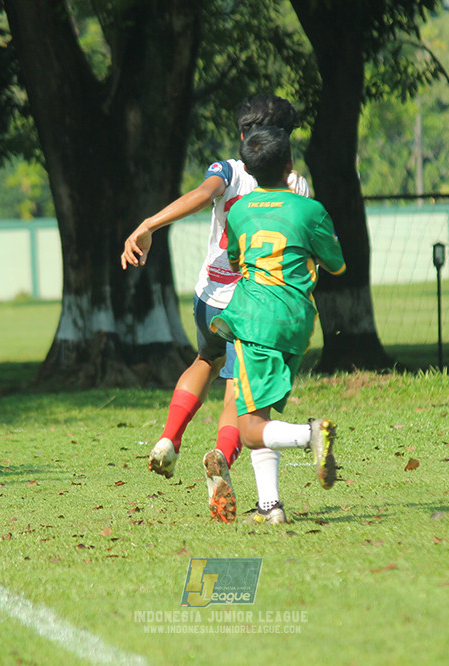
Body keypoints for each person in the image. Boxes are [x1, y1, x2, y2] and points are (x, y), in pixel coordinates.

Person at [120, 94, 310, 523]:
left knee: (205, 359)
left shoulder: (227, 170)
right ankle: (222, 456)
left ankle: (170, 438)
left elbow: (201, 194)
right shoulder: (296, 186)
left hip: (210, 297)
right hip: (253, 308)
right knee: (237, 391)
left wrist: (150, 224)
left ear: (243, 136)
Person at [210, 125, 346, 524]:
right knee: (262, 412)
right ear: (290, 164)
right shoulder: (310, 210)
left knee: (249, 428)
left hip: (256, 320)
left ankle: (310, 435)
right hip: (297, 323)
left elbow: (237, 261)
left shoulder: (239, 210)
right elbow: (336, 264)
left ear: (249, 170)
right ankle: (271, 506)